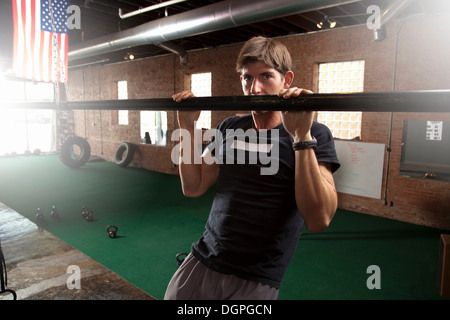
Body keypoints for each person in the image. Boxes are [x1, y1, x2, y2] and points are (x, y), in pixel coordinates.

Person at [165, 36, 340, 300]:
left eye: (266, 76)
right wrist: (187, 126)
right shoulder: (229, 128)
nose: (254, 88)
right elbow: (193, 185)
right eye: (247, 78)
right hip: (202, 261)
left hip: (255, 279)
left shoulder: (315, 133)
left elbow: (319, 219)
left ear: (287, 80)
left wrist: (301, 136)